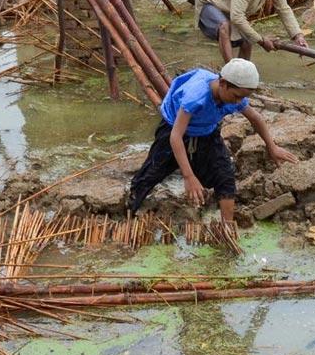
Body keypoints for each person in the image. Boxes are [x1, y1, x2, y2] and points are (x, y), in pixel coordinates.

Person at [127, 59, 297, 235]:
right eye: (236, 96)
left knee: (225, 174)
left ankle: (227, 229)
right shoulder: (196, 96)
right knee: (151, 174)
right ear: (222, 83)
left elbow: (255, 117)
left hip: (207, 131)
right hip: (173, 129)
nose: (238, 102)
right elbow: (175, 136)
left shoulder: (234, 96)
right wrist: (188, 176)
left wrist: (272, 146)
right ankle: (130, 208)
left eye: (243, 98)